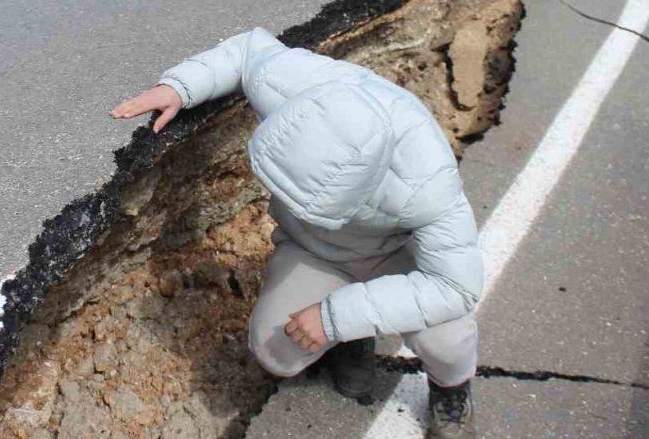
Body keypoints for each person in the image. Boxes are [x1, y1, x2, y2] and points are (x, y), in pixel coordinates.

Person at [110, 27, 483, 438]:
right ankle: (352, 340)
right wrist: (180, 86)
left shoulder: (429, 183)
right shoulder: (297, 86)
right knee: (276, 352)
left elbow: (455, 286)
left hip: (396, 257)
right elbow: (248, 48)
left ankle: (452, 388)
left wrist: (335, 318)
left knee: (447, 342)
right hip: (314, 249)